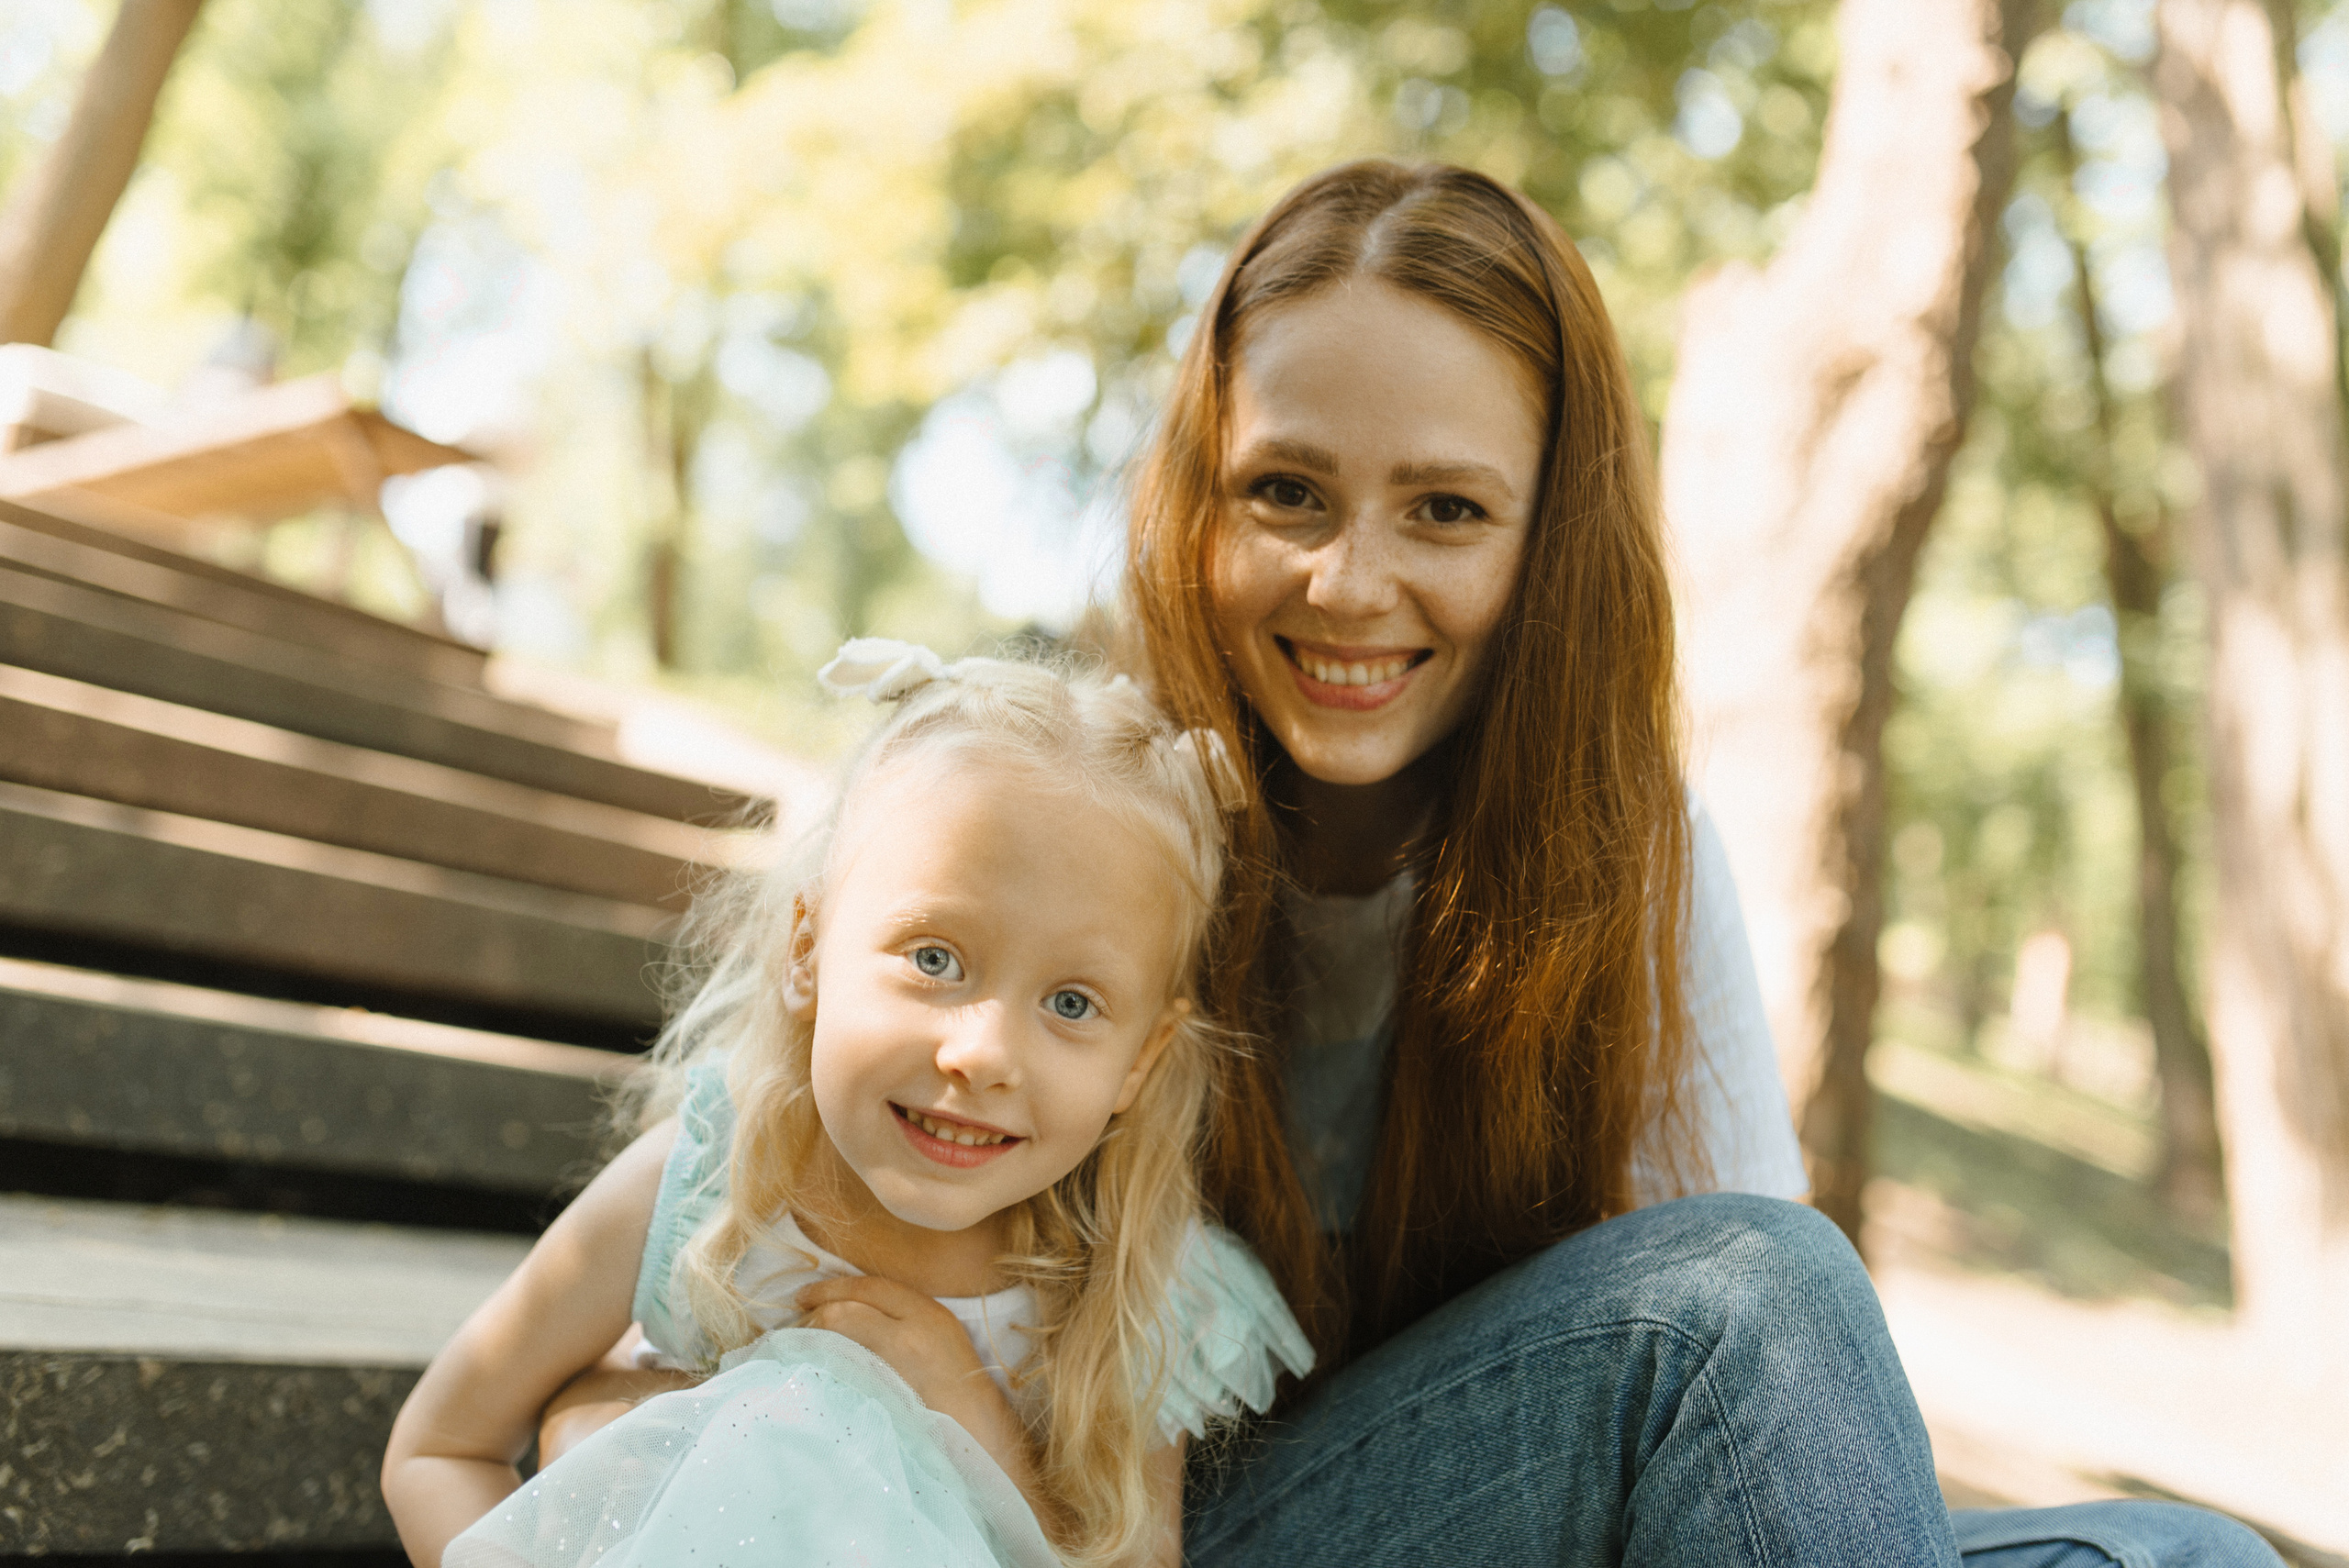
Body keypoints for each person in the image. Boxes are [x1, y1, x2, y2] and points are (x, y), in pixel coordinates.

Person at [1118, 159, 2279, 1567]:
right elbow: (1743, 1326)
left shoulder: (1621, 857)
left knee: (2185, 1558)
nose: (1351, 582)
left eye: (1446, 510)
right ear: (1201, 501)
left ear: (1554, 542)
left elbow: (1753, 1432)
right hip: (1157, 1529)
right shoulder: (1084, 814)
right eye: (1287, 492)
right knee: (1751, 1293)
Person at [380, 643, 1313, 1568]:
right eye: (934, 958)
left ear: (1141, 1059)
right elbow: (441, 1448)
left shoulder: (1136, 1291)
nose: (982, 1053)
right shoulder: (708, 1187)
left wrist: (978, 1426)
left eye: (1071, 1003)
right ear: (807, 951)